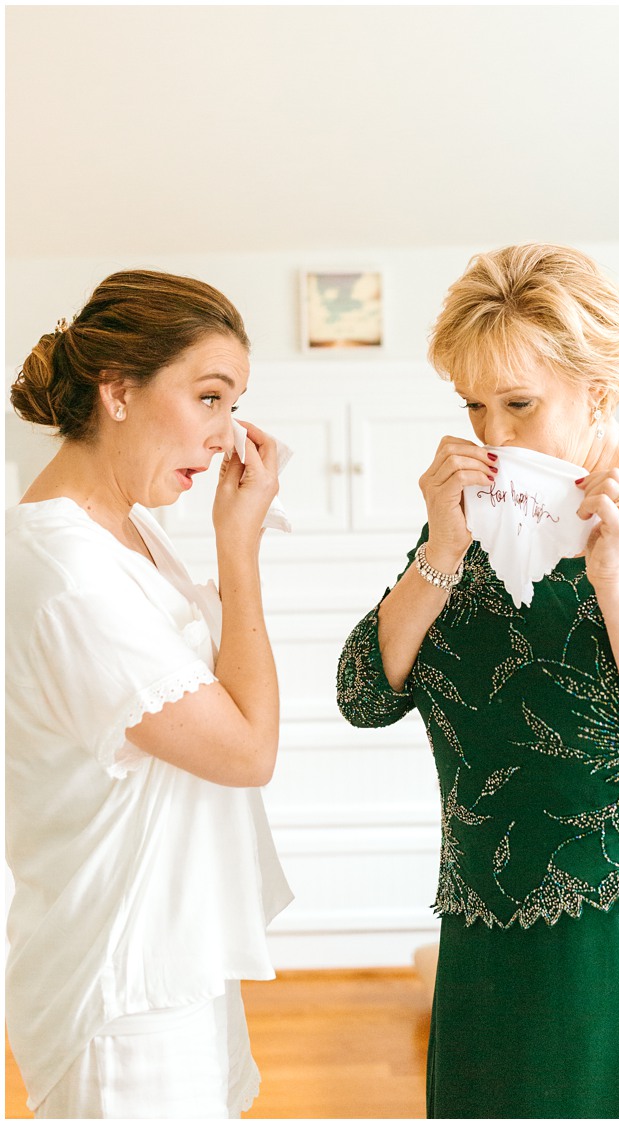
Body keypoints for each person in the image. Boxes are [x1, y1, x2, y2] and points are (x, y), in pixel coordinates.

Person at [335, 243, 619, 1118]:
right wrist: (439, 552)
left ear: (601, 388)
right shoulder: (470, 515)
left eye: (519, 404)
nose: (492, 436)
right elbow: (364, 696)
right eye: (474, 406)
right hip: (489, 932)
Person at [6, 270, 291, 1118]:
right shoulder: (66, 575)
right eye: (208, 397)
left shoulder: (129, 532)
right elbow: (247, 752)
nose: (225, 434)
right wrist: (237, 552)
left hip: (171, 953)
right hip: (120, 990)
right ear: (118, 391)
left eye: (233, 402)